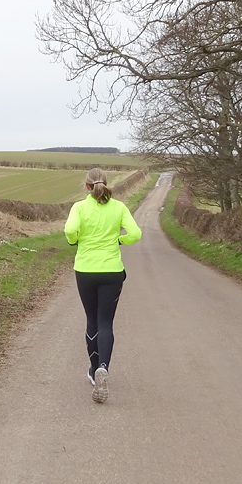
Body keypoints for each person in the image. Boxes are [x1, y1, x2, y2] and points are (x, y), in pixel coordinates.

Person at [64, 168, 141, 403]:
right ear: (106, 184)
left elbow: (70, 231)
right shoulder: (119, 207)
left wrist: (75, 241)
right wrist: (119, 240)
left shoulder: (79, 207)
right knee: (106, 322)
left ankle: (93, 368)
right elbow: (136, 234)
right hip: (112, 271)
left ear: (87, 187)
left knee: (92, 319)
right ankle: (103, 368)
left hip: (85, 270)